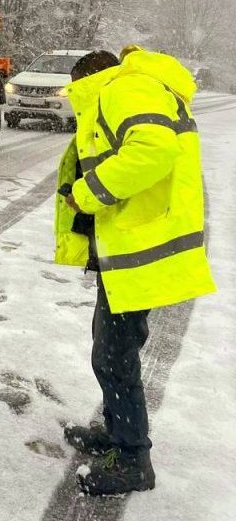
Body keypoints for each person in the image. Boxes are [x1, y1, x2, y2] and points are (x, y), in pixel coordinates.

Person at [53, 46, 217, 496]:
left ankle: (132, 460)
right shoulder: (137, 87)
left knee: (114, 357)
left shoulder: (123, 90)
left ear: (87, 81)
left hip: (139, 249)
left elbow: (153, 150)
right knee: (111, 351)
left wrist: (88, 193)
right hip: (131, 248)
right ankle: (118, 432)